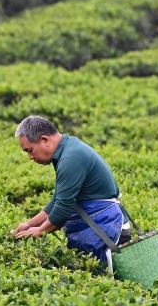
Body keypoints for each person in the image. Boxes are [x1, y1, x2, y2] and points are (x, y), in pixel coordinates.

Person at [10, 115, 129, 273]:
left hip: (107, 226)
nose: (30, 157)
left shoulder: (70, 157)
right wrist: (30, 224)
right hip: (99, 225)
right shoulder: (66, 151)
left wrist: (40, 231)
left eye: (29, 150)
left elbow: (63, 208)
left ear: (44, 140)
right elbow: (59, 200)